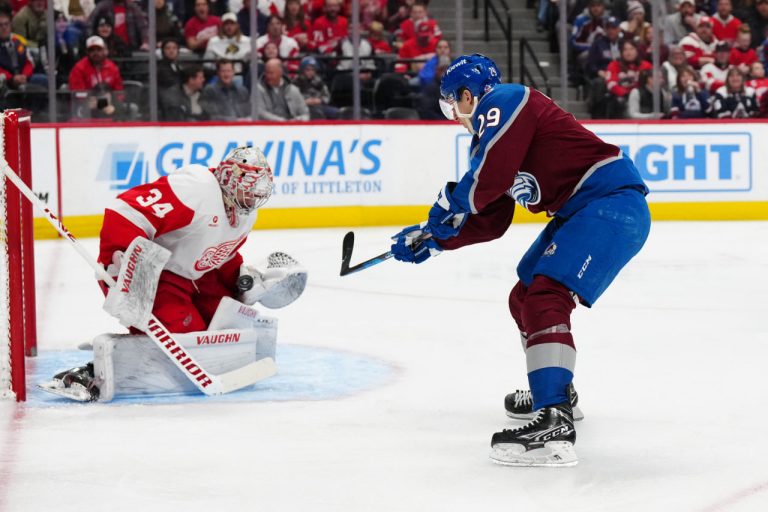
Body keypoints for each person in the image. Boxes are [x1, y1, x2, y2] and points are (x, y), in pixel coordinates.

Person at [389, 54, 650, 467]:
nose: (455, 117)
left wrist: (443, 206)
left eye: (451, 105)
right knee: (525, 293)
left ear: (466, 95)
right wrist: (434, 239)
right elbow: (490, 218)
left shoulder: (505, 100)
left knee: (546, 294)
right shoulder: (494, 136)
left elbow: (482, 185)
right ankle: (557, 390)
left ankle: (554, 415)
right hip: (585, 212)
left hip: (609, 205)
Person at [44, 145, 304, 401]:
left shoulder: (246, 214)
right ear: (228, 177)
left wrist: (241, 282)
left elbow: (220, 257)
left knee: (226, 326)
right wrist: (125, 262)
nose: (254, 197)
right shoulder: (196, 189)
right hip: (151, 275)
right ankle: (91, 372)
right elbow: (126, 211)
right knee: (186, 337)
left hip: (194, 277)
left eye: (258, 190)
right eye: (248, 188)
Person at [205, 12, 251, 77]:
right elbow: (207, 64)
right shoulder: (213, 41)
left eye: (232, 24)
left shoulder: (247, 41)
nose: (229, 27)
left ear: (237, 25)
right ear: (222, 26)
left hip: (238, 75)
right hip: (219, 76)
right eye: (226, 24)